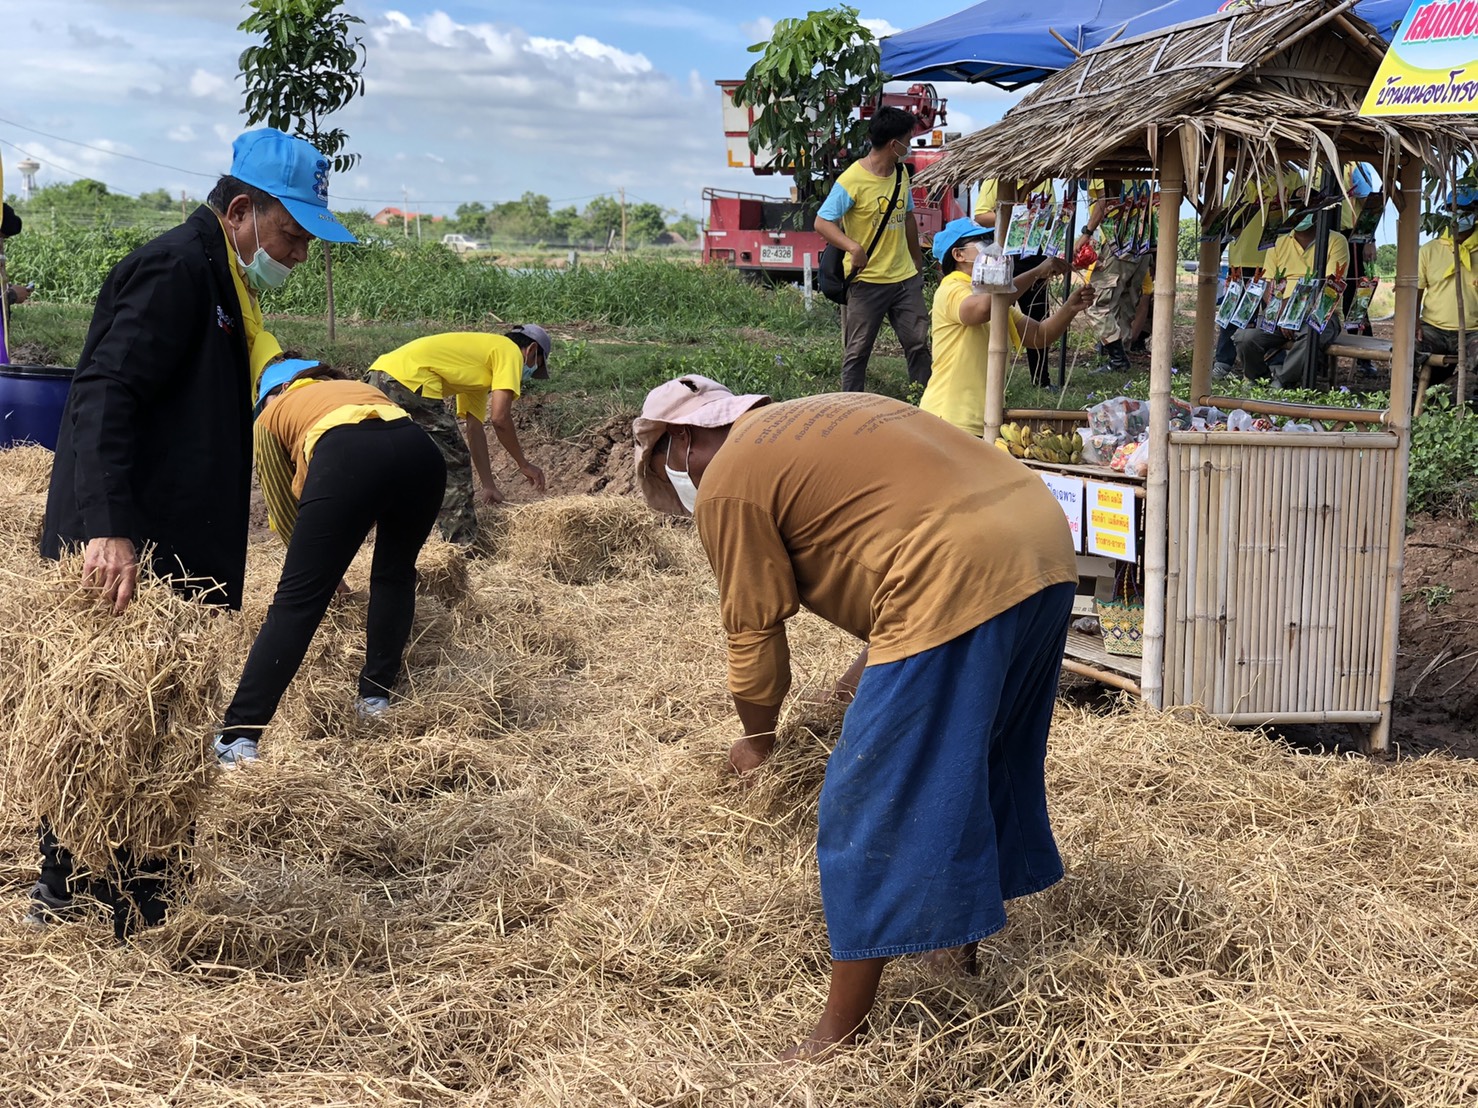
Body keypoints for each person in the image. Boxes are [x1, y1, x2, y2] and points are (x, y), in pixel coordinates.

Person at [632, 376, 1078, 1059]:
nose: (678, 476)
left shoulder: (728, 482)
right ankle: (953, 953)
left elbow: (754, 633)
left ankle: (837, 1034)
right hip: (1042, 544)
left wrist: (757, 740)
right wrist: (848, 687)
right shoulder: (824, 414)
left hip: (954, 570)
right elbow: (904, 536)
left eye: (667, 460)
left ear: (683, 441)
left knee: (864, 795)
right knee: (972, 756)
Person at [29, 127, 355, 937]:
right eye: (292, 234)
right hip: (129, 547)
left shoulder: (222, 282)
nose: (299, 254)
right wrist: (109, 527)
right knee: (109, 723)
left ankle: (122, 890)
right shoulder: (176, 270)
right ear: (240, 210)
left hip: (172, 542)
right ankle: (92, 895)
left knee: (152, 728)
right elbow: (105, 392)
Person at [212, 360, 446, 767]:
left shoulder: (270, 416)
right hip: (420, 452)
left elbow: (284, 508)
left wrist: (324, 568)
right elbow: (379, 470)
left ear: (272, 394)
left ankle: (238, 736)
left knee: (298, 602)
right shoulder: (356, 389)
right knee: (394, 575)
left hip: (348, 458)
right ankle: (375, 697)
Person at [367, 327, 551, 547]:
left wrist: (488, 485)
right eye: (535, 365)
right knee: (453, 461)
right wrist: (523, 463)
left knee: (396, 460)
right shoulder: (510, 351)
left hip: (377, 377)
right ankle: (461, 546)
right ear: (531, 350)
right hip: (407, 382)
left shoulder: (478, 367)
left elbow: (474, 429)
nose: (528, 373)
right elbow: (500, 418)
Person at [921, 219, 1095, 438]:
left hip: (980, 421)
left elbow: (1038, 335)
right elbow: (983, 309)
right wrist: (1036, 272)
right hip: (948, 418)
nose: (992, 248)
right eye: (983, 241)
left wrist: (1070, 308)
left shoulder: (992, 296)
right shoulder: (952, 289)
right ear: (958, 255)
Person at [814, 107, 930, 392]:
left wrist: (917, 263)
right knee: (858, 352)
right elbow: (822, 222)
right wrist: (853, 247)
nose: (909, 146)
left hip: (904, 280)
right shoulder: (851, 180)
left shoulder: (901, 174)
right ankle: (850, 407)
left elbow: (908, 218)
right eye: (908, 140)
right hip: (867, 282)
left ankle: (925, 403)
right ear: (894, 144)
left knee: (918, 345)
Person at [1232, 213, 1350, 388]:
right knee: (1245, 337)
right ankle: (1259, 379)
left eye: (1304, 210)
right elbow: (1268, 284)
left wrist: (1293, 313)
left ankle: (1282, 382)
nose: (1297, 214)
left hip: (1320, 314)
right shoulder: (1278, 242)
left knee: (1311, 336)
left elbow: (1329, 287)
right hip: (1279, 314)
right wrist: (1282, 314)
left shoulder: (1336, 241)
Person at [1214, 167, 1305, 379]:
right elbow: (1228, 213)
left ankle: (1274, 361)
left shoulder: (1292, 174)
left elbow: (1300, 208)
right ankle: (1223, 361)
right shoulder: (1243, 174)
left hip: (1275, 253)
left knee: (1273, 309)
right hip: (1243, 254)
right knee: (1235, 308)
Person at [975, 180, 1057, 385]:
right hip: (1003, 257)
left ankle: (1041, 380)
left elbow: (1051, 218)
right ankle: (991, 378)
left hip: (1034, 255)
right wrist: (1015, 216)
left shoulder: (1044, 182)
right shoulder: (996, 180)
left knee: (1038, 316)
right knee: (995, 316)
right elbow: (981, 216)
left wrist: (1037, 217)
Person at [1076, 178, 1153, 373]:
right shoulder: (1136, 173)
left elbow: (1105, 199)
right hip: (1140, 244)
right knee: (1125, 301)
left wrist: (1086, 233)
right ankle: (1121, 357)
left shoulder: (1103, 168)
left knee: (1095, 302)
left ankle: (1117, 359)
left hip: (1118, 244)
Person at [1416, 209, 1478, 389]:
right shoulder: (1429, 250)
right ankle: (1410, 395)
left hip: (1473, 332)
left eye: (1467, 210)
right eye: (1453, 209)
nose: (1459, 214)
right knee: (1406, 349)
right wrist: (1414, 322)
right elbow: (1415, 291)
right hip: (1433, 329)